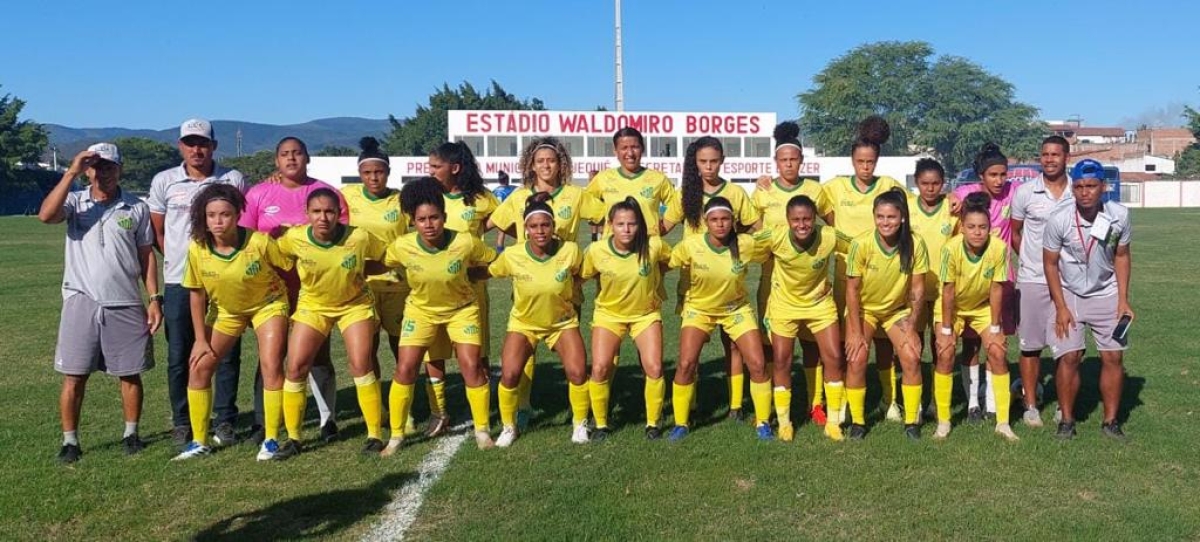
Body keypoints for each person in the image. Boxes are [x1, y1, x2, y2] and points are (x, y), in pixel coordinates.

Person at [38, 143, 162, 464]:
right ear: (88, 169)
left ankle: (131, 434)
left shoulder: (136, 207)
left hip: (125, 300)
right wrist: (71, 171)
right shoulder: (74, 202)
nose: (103, 172)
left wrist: (154, 298)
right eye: (96, 166)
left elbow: (146, 256)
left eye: (109, 166)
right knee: (74, 375)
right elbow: (46, 215)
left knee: (130, 373)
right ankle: (70, 441)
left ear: (120, 168)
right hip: (81, 298)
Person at [488, 137, 606, 424]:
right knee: (525, 352)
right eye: (539, 161)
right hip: (528, 284)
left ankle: (579, 415)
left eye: (550, 160)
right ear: (531, 164)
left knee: (573, 358)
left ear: (560, 163)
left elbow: (607, 217)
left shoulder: (576, 195)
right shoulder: (518, 197)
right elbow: (489, 223)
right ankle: (524, 406)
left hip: (564, 286)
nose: (545, 165)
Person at [147, 119, 248, 448]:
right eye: (189, 143)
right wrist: (182, 260)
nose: (196, 149)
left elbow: (241, 225)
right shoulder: (164, 181)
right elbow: (159, 233)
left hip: (225, 280)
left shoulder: (233, 179)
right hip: (180, 280)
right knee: (179, 355)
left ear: (213, 146)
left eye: (202, 143)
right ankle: (182, 421)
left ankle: (225, 419)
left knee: (226, 353)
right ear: (180, 146)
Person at [240, 137, 348, 443]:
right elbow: (246, 240)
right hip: (269, 292)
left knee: (317, 356)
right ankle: (264, 422)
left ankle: (329, 419)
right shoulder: (259, 193)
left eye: (297, 153)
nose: (291, 159)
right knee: (270, 358)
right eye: (285, 154)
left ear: (307, 157)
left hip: (314, 291)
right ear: (276, 161)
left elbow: (340, 238)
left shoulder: (325, 193)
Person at [174, 184, 291, 461]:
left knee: (271, 365)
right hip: (227, 311)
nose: (217, 221)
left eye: (225, 214)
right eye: (211, 215)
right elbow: (196, 294)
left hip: (268, 305)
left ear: (238, 214)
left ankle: (271, 439)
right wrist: (200, 339)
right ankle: (199, 441)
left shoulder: (259, 242)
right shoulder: (197, 248)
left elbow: (289, 265)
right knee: (199, 367)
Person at [382, 178, 498, 454]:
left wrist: (474, 275)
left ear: (444, 217)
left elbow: (492, 260)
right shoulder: (402, 247)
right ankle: (396, 437)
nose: (429, 224)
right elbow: (385, 264)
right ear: (413, 221)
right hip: (421, 312)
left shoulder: (466, 242)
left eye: (434, 217)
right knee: (405, 368)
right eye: (422, 219)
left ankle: (482, 432)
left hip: (462, 310)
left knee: (471, 365)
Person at [274, 188, 388, 459]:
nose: (323, 217)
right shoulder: (295, 238)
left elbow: (385, 257)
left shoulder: (359, 237)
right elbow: (273, 255)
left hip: (355, 306)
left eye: (329, 211)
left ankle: (374, 434)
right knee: (296, 367)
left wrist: (364, 270)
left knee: (361, 364)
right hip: (313, 307)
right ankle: (294, 438)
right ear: (307, 214)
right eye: (316, 211)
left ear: (339, 214)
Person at [816, 117, 908, 423]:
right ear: (852, 161)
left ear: (877, 161)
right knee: (848, 341)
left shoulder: (889, 186)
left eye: (870, 162)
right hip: (848, 277)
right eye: (860, 162)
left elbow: (910, 216)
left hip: (886, 278)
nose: (865, 167)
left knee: (884, 344)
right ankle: (841, 402)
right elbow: (805, 202)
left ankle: (889, 399)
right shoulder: (835, 187)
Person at [662, 137, 761, 422]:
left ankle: (735, 406)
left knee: (733, 345)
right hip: (695, 283)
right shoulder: (686, 193)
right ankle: (688, 407)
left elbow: (756, 226)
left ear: (722, 161)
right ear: (695, 163)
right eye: (703, 161)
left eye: (713, 161)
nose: (708, 166)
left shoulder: (735, 192)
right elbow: (664, 226)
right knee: (690, 352)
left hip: (729, 280)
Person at [667, 196, 772, 441]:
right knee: (685, 364)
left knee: (757, 363)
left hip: (736, 310)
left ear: (733, 221)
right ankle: (681, 423)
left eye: (725, 219)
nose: (720, 224)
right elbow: (662, 264)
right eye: (714, 220)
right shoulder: (691, 245)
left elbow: (777, 244)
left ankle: (763, 422)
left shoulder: (746, 243)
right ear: (706, 222)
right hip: (699, 310)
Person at [751, 121, 835, 427]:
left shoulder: (814, 190)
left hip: (810, 284)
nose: (789, 164)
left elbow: (831, 223)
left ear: (801, 161)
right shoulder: (763, 191)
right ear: (776, 162)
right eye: (783, 160)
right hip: (772, 282)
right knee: (773, 345)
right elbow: (753, 230)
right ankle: (775, 406)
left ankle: (816, 404)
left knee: (812, 344)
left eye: (794, 159)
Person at [1043, 159, 1133, 440]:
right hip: (1069, 294)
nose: (1085, 192)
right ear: (1073, 187)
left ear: (1103, 187)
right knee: (1069, 356)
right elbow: (1050, 263)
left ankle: (1110, 422)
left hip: (1106, 294)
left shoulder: (1119, 216)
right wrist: (1060, 306)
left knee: (1113, 357)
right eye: (1079, 186)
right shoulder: (1059, 219)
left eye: (1091, 186)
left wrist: (1123, 300)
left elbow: (1121, 255)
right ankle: (1067, 421)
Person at [490, 196, 589, 447]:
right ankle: (509, 427)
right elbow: (487, 271)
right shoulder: (512, 255)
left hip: (562, 323)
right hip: (524, 324)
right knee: (510, 374)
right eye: (533, 226)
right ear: (526, 229)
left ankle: (580, 424)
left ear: (553, 226)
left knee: (577, 372)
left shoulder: (570, 250)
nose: (540, 231)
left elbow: (582, 274)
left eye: (545, 225)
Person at [423, 140, 500, 437]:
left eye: (436, 167)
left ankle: (480, 412)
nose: (431, 172)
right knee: (435, 354)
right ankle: (438, 412)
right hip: (432, 292)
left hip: (469, 291)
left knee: (475, 354)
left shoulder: (480, 199)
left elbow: (508, 219)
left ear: (454, 168)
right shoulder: (427, 196)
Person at [341, 137, 418, 436]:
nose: (374, 178)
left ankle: (405, 410)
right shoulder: (346, 197)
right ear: (360, 174)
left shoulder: (401, 200)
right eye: (367, 173)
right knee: (366, 352)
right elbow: (310, 201)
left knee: (402, 351)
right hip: (363, 288)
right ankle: (379, 409)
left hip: (398, 286)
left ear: (388, 173)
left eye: (379, 172)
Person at [581, 197, 673, 440]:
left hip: (645, 315)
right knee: (600, 367)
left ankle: (652, 423)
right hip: (609, 315)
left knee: (654, 366)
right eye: (620, 224)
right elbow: (583, 276)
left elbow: (668, 263)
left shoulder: (654, 246)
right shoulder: (596, 251)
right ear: (610, 225)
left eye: (632, 224)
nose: (626, 229)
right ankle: (601, 424)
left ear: (640, 225)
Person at [931, 192, 1018, 441]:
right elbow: (947, 291)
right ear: (962, 228)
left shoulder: (999, 248)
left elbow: (996, 288)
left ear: (990, 228)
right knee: (946, 353)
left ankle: (1002, 422)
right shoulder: (951, 249)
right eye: (971, 227)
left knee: (998, 351)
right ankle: (944, 422)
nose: (977, 232)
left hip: (981, 307)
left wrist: (994, 325)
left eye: (982, 227)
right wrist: (947, 330)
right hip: (953, 307)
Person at [844, 188, 928, 440]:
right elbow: (852, 290)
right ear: (873, 217)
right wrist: (856, 332)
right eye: (880, 216)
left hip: (896, 311)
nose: (885, 222)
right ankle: (858, 421)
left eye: (891, 217)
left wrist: (912, 326)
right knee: (857, 358)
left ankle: (912, 421)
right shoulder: (861, 244)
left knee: (912, 357)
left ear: (902, 217)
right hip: (865, 310)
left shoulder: (914, 243)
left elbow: (917, 288)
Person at [759, 195, 846, 442]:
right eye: (796, 220)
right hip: (784, 306)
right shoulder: (774, 236)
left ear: (815, 218)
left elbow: (861, 246)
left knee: (834, 357)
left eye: (807, 218)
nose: (802, 224)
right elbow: (741, 246)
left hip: (819, 305)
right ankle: (785, 423)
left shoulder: (829, 236)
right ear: (787, 220)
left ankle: (832, 421)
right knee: (782, 361)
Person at [951, 143, 1020, 422]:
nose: (999, 180)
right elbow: (950, 199)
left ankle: (993, 402)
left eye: (1003, 174)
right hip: (970, 282)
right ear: (981, 175)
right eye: (993, 174)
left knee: (997, 344)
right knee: (970, 346)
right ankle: (972, 404)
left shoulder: (1014, 192)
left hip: (1002, 282)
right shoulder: (968, 194)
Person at [1010, 136, 1074, 426]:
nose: (1049, 159)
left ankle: (1064, 406)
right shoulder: (1025, 192)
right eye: (1045, 154)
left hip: (1070, 282)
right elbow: (1015, 233)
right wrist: (1031, 259)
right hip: (1033, 279)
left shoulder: (1079, 191)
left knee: (1067, 347)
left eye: (1055, 154)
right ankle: (1031, 405)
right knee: (1030, 346)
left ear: (1066, 157)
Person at [907, 158, 958, 418]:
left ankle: (938, 404)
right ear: (916, 183)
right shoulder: (906, 208)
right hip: (912, 292)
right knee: (911, 349)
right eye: (925, 183)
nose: (930, 188)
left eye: (936, 183)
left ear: (943, 184)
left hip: (942, 292)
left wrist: (954, 195)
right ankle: (911, 401)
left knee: (943, 347)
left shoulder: (953, 208)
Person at [586, 127, 677, 237]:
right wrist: (601, 220)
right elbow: (585, 205)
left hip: (647, 249)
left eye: (635, 147)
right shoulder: (602, 178)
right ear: (615, 151)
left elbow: (677, 206)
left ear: (642, 149)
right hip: (612, 251)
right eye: (624, 148)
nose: (630, 153)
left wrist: (663, 227)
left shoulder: (658, 179)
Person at [491, 170, 516, 251]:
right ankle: (519, 247)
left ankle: (499, 250)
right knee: (518, 231)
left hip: (499, 214)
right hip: (511, 213)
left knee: (501, 232)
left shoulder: (494, 191)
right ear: (507, 180)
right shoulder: (512, 189)